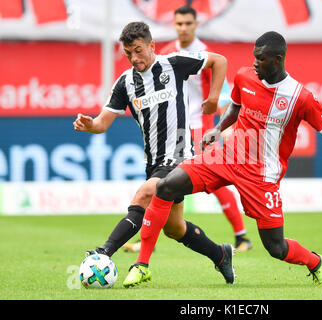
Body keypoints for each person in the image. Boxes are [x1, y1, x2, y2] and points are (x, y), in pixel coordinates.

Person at [123, 31, 322, 287]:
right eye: (254, 57)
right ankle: (142, 265)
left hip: (261, 174)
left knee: (276, 247)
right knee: (166, 187)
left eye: (261, 59)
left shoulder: (301, 97)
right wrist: (218, 129)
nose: (255, 63)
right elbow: (236, 105)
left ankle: (315, 262)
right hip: (230, 156)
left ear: (277, 59)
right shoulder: (245, 76)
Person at [73, 21, 236, 287]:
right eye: (128, 54)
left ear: (151, 46)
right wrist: (90, 125)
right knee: (174, 228)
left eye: (138, 50)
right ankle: (221, 255)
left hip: (181, 156)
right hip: (154, 162)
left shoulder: (174, 63)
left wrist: (214, 97)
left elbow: (219, 61)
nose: (134, 58)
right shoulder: (125, 83)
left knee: (145, 193)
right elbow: (102, 123)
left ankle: (104, 252)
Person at [122, 5, 252, 253]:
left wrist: (224, 124)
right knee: (162, 185)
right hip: (173, 130)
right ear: (174, 25)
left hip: (200, 128)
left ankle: (242, 236)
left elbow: (222, 95)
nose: (183, 28)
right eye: (179, 24)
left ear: (195, 24)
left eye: (187, 24)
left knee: (214, 184)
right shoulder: (167, 53)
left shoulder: (204, 55)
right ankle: (149, 240)